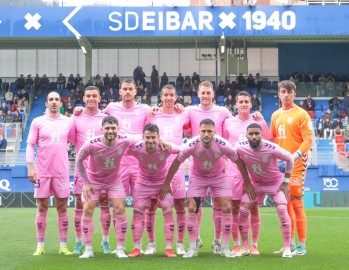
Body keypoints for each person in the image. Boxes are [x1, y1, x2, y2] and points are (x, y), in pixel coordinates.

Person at [160, 118, 251, 258]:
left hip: (219, 177)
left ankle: (225, 248)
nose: (206, 134)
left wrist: (248, 183)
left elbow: (238, 162)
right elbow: (176, 163)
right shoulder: (191, 144)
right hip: (198, 177)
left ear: (214, 132)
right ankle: (192, 248)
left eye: (209, 131)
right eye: (203, 131)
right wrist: (166, 184)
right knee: (192, 208)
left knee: (227, 207)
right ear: (199, 132)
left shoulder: (223, 144)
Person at [75, 116, 137, 259]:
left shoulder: (125, 140)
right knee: (87, 209)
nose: (110, 131)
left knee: (120, 209)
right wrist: (86, 182)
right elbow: (78, 160)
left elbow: (143, 137)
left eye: (113, 128)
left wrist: (161, 140)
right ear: (101, 130)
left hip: (114, 180)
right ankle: (88, 249)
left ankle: (120, 248)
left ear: (118, 129)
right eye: (107, 128)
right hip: (94, 180)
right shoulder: (91, 144)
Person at [223, 91, 273, 256]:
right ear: (236, 105)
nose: (244, 104)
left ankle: (254, 245)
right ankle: (237, 244)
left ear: (251, 104)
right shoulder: (228, 122)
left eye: (246, 101)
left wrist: (263, 121)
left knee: (253, 208)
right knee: (235, 208)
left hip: (254, 172)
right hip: (234, 171)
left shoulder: (257, 120)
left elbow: (270, 141)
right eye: (241, 102)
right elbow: (223, 145)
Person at [236, 123, 294, 258]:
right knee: (243, 210)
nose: (254, 136)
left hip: (275, 183)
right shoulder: (240, 147)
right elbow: (236, 161)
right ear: (246, 135)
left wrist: (286, 182)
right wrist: (248, 183)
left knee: (282, 209)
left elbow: (290, 158)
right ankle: (246, 246)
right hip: (256, 183)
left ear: (262, 135)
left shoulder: (272, 148)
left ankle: (287, 247)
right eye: (251, 134)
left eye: (257, 133)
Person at [26, 91, 74, 256]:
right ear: (46, 103)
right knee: (42, 207)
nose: (54, 102)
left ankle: (63, 246)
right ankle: (40, 246)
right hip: (42, 172)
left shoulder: (68, 121)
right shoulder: (37, 121)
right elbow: (30, 145)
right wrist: (30, 167)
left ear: (61, 103)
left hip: (61, 172)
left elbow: (78, 137)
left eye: (57, 100)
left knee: (62, 208)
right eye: (51, 99)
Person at [144, 85, 190, 255]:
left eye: (172, 95)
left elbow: (197, 118)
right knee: (151, 205)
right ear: (160, 97)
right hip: (155, 167)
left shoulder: (183, 114)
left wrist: (183, 107)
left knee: (179, 204)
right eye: (166, 95)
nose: (169, 98)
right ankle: (151, 244)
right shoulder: (152, 116)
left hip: (176, 166)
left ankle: (179, 243)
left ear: (176, 97)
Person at [271, 80, 313, 256]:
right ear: (279, 94)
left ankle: (302, 245)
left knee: (296, 201)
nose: (286, 94)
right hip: (281, 165)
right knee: (284, 203)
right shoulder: (275, 115)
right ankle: (290, 243)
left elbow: (308, 140)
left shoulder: (302, 114)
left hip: (296, 163)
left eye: (289, 91)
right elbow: (273, 139)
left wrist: (295, 156)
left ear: (294, 94)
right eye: (283, 91)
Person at [69, 86, 112, 254]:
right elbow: (73, 139)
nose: (92, 98)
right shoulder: (76, 117)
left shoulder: (107, 118)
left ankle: (105, 241)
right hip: (82, 169)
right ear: (84, 98)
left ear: (100, 98)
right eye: (88, 96)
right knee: (80, 205)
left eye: (95, 96)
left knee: (104, 203)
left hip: (103, 170)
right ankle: (79, 241)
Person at [127, 124, 180, 258]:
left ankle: (169, 248)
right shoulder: (136, 147)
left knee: (168, 213)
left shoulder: (166, 147)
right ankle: (136, 248)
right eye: (147, 137)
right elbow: (121, 148)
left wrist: (168, 183)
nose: (150, 140)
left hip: (162, 183)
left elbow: (182, 150)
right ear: (143, 137)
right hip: (143, 183)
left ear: (158, 137)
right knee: (137, 214)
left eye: (153, 138)